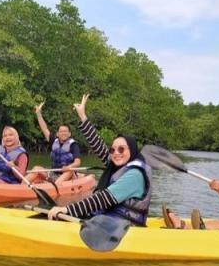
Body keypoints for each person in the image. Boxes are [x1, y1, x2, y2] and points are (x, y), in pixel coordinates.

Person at [47, 93, 151, 225]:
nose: (116, 153)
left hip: (122, 229)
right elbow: (98, 146)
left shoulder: (134, 175)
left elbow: (104, 199)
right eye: (112, 149)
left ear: (132, 150)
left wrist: (67, 209)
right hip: (111, 221)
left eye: (121, 149)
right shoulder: (118, 165)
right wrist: (82, 116)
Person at [30, 102, 82, 183]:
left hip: (67, 174)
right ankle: (22, 185)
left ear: (69, 134)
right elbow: (44, 128)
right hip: (54, 173)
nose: (63, 133)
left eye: (65, 131)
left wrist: (69, 166)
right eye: (61, 131)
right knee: (37, 168)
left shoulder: (73, 145)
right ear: (57, 134)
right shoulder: (54, 141)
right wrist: (38, 114)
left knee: (69, 171)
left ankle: (55, 186)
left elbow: (77, 162)